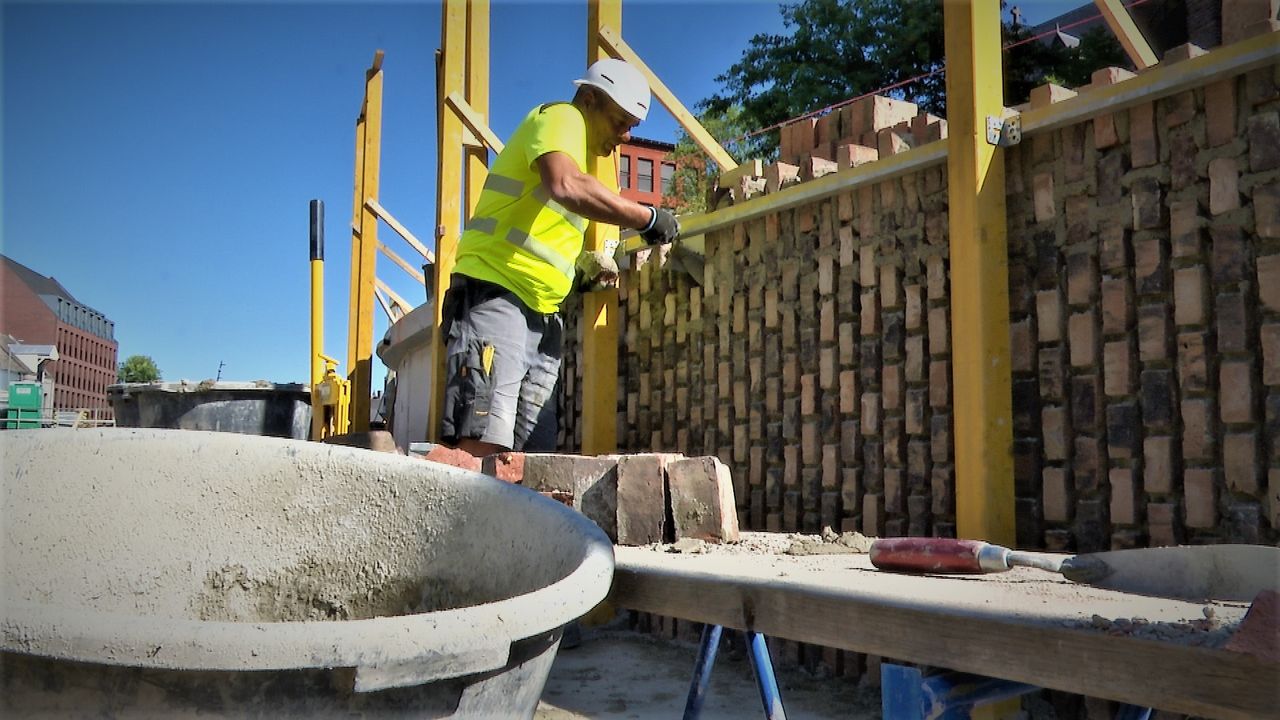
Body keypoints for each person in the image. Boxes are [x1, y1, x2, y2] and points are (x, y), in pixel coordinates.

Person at [441, 58, 680, 457]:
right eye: (620, 122)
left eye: (630, 128)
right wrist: (647, 217)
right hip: (497, 294)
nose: (623, 136)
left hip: (544, 315)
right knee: (483, 443)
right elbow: (564, 184)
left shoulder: (592, 163)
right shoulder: (562, 117)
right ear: (589, 99)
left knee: (532, 456)